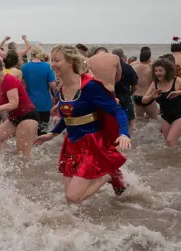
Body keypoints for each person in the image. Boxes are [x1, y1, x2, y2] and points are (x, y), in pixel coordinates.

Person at [34, 45, 131, 203]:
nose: (53, 64)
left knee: (72, 197)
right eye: (52, 60)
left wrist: (124, 133)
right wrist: (53, 134)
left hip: (91, 144)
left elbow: (117, 110)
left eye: (57, 60)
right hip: (71, 144)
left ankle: (107, 176)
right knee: (71, 201)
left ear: (71, 61)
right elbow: (68, 116)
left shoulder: (90, 86)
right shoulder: (61, 89)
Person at [0, 56, 39, 159]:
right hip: (15, 118)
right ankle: (11, 160)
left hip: (27, 117)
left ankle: (27, 171)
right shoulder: (2, 81)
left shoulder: (9, 80)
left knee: (23, 156)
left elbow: (14, 104)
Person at [141, 58, 181, 147]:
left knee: (170, 141)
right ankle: (177, 157)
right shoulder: (155, 84)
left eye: (160, 70)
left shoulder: (176, 81)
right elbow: (144, 100)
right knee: (168, 144)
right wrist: (152, 96)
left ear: (167, 71)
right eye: (156, 71)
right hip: (166, 117)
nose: (157, 73)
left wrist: (179, 92)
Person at [21, 45, 56, 135]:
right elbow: (52, 85)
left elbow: (23, 86)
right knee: (43, 131)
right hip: (44, 103)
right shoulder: (47, 67)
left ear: (31, 54)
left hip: (29, 103)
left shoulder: (24, 67)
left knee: (30, 132)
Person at [112, 48, 138, 130]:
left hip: (113, 96)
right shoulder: (128, 67)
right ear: (123, 56)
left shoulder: (110, 67)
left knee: (115, 118)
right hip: (125, 95)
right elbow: (135, 85)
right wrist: (130, 93)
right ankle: (133, 136)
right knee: (131, 119)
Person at [132, 47, 158, 119]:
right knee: (154, 119)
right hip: (147, 96)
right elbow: (154, 83)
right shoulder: (150, 69)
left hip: (136, 96)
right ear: (149, 58)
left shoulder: (134, 67)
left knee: (139, 119)